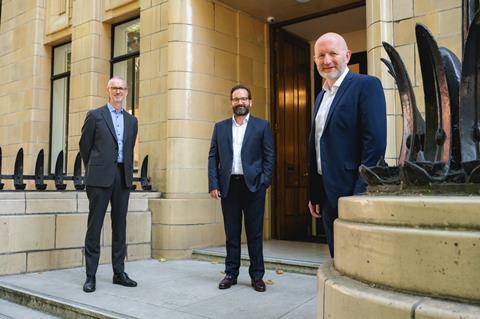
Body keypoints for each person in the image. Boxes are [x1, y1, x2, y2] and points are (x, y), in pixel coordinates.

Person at [307, 33, 387, 258]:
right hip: (326, 193)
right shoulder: (320, 97)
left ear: (347, 55)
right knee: (338, 258)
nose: (327, 60)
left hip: (352, 190)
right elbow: (317, 145)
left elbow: (375, 142)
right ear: (315, 60)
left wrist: (359, 191)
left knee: (357, 258)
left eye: (333, 53)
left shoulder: (366, 85)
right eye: (321, 55)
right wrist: (315, 193)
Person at [208, 84, 275, 292]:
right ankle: (231, 274)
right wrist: (214, 184)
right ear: (231, 102)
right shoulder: (220, 127)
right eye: (236, 99)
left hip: (254, 186)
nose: (240, 102)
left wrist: (264, 182)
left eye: (244, 99)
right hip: (229, 186)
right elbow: (213, 157)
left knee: (254, 234)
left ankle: (257, 276)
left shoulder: (262, 126)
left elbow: (269, 157)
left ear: (250, 102)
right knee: (232, 233)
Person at [79, 76, 138, 293]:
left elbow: (129, 149)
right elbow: (85, 146)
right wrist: (95, 167)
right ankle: (90, 276)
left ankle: (119, 273)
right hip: (99, 178)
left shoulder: (132, 121)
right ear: (108, 90)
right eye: (115, 88)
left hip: (122, 177)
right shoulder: (95, 115)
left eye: (122, 88)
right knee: (94, 227)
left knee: (120, 226)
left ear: (126, 91)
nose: (118, 91)